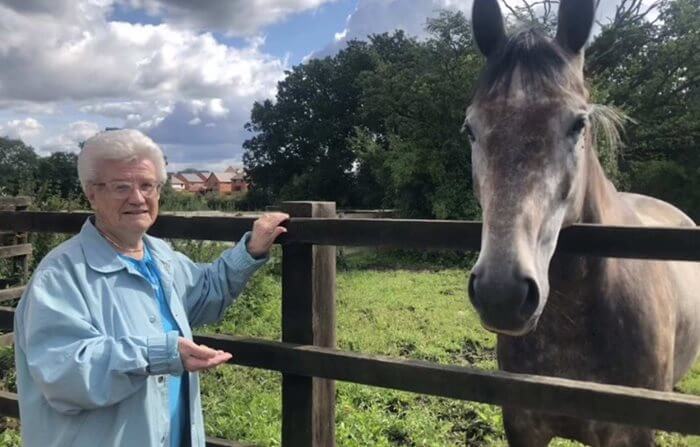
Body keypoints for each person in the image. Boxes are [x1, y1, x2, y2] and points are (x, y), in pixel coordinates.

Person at [13, 129, 289, 447]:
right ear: (91, 193)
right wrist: (158, 353)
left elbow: (207, 292)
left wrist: (252, 249)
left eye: (147, 185)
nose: (138, 198)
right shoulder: (60, 276)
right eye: (121, 187)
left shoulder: (161, 256)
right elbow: (64, 375)